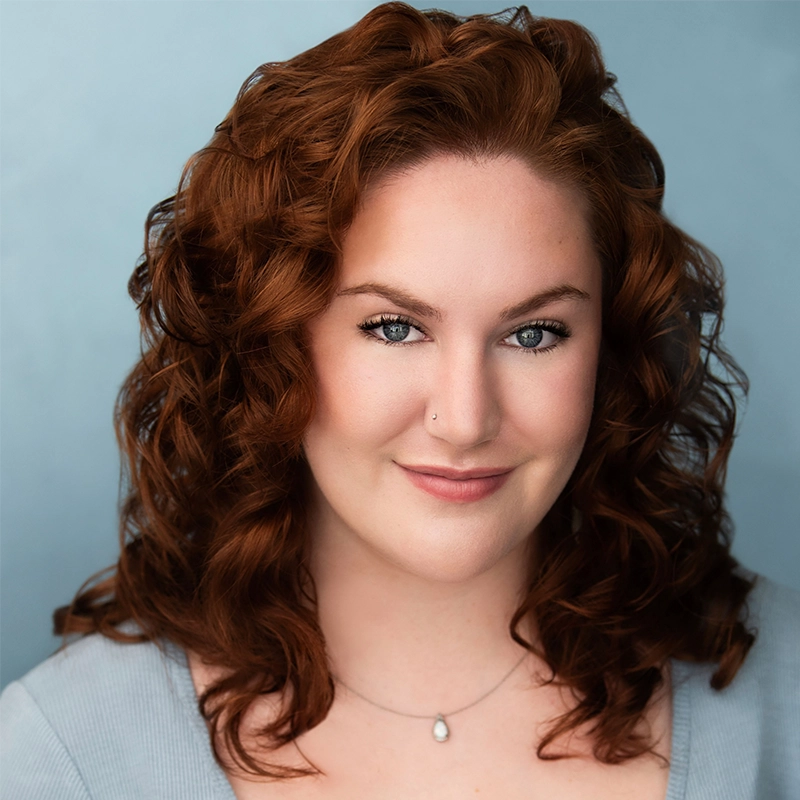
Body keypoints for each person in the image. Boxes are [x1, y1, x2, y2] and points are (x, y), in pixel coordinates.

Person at [1, 2, 798, 798]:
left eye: (534, 334)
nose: (465, 420)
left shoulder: (779, 699)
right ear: (272, 343)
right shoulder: (61, 759)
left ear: (611, 347)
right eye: (393, 327)